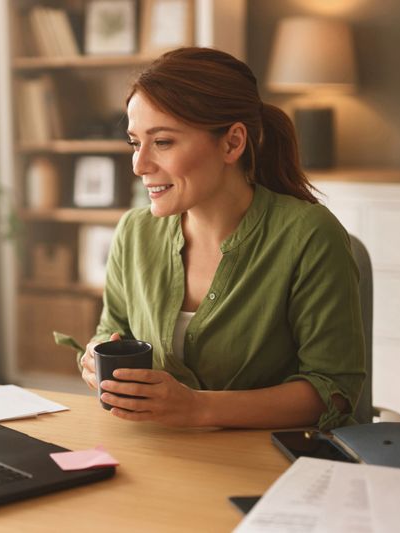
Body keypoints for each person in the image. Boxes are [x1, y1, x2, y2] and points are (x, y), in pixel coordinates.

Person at [76, 47, 365, 431]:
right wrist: (96, 355)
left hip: (264, 466)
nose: (139, 164)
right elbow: (113, 328)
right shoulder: (134, 232)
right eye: (134, 142)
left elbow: (334, 390)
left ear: (232, 143)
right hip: (157, 453)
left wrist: (198, 408)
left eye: (162, 142)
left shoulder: (310, 236)